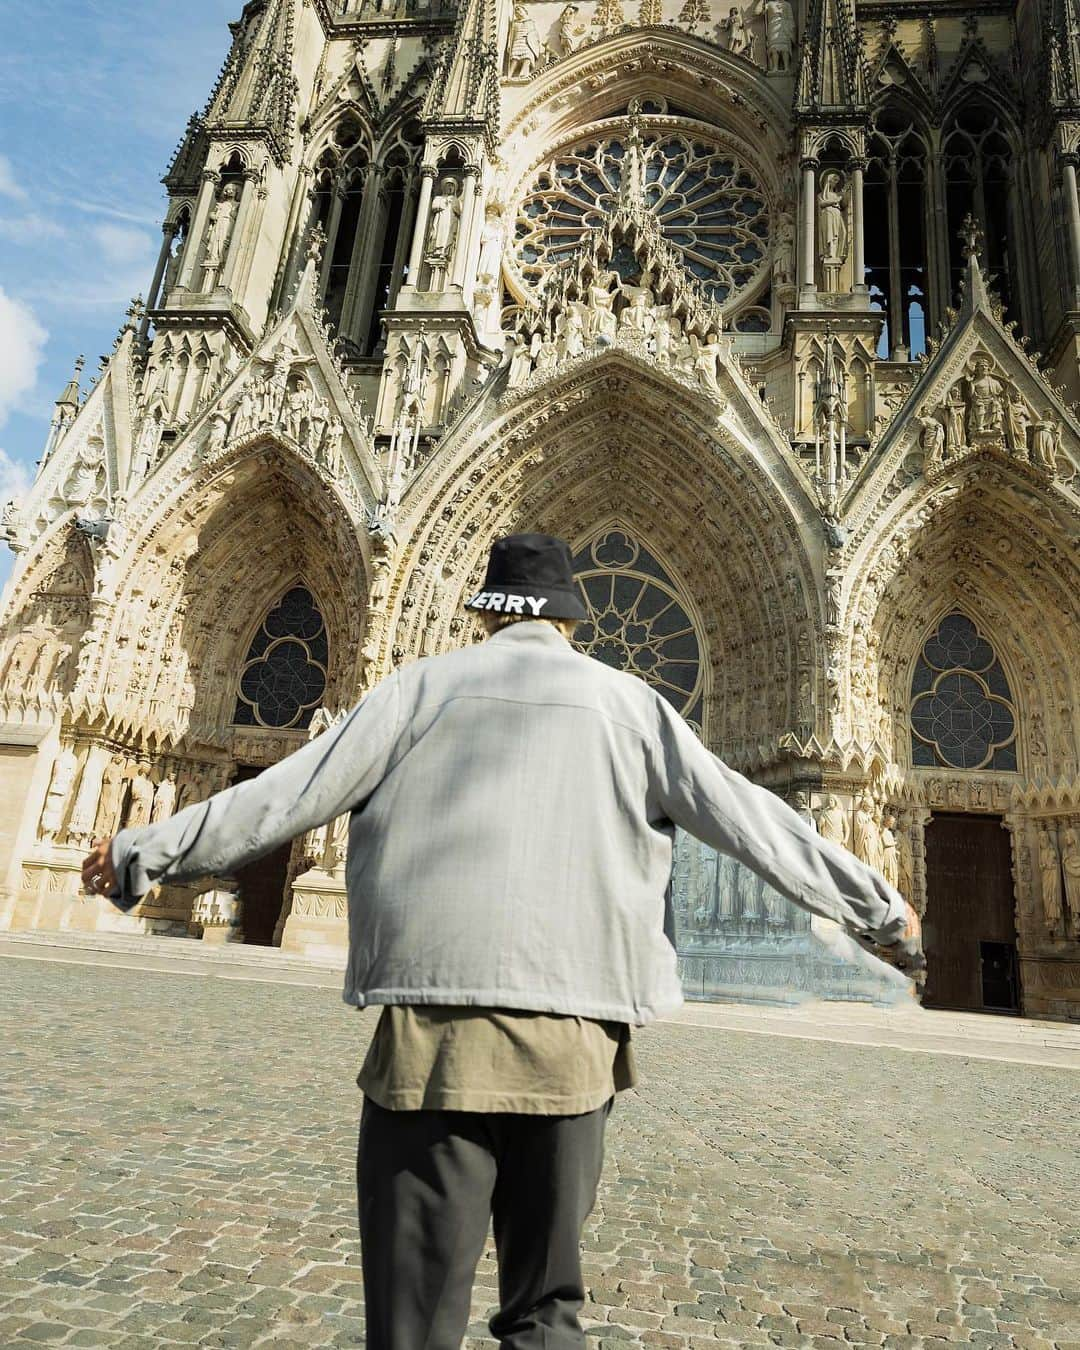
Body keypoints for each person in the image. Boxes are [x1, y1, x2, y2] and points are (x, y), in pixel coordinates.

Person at [82, 533, 923, 1350]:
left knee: (412, 1320)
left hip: (429, 1049)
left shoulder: (418, 690)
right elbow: (758, 824)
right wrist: (881, 909)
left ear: (486, 613)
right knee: (545, 1312)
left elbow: (283, 795)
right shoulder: (634, 707)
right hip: (573, 1050)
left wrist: (136, 852)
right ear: (570, 620)